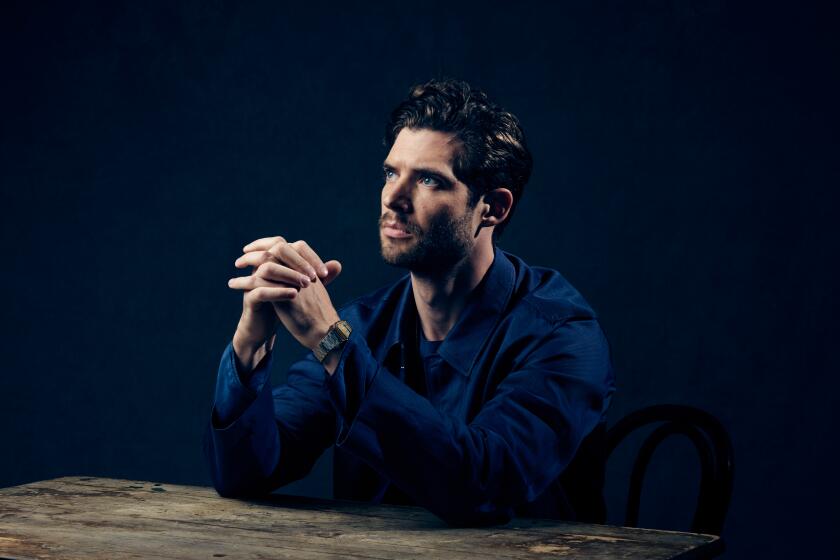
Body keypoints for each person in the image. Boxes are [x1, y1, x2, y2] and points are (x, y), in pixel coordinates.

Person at [204, 78, 615, 526]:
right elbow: (245, 475)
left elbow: (481, 483)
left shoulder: (563, 336)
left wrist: (331, 341)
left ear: (493, 208)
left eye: (429, 180)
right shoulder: (363, 324)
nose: (393, 198)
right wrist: (249, 349)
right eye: (391, 173)